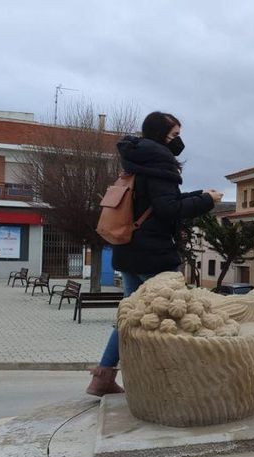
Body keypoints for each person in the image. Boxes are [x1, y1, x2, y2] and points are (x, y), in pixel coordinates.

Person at [85, 111, 222, 396]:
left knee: (128, 316)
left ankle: (103, 376)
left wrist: (200, 194)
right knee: (176, 313)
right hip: (154, 256)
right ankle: (172, 382)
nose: (179, 141)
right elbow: (168, 209)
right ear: (161, 135)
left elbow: (161, 200)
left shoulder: (138, 161)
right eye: (174, 135)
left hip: (129, 251)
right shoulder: (160, 163)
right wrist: (206, 203)